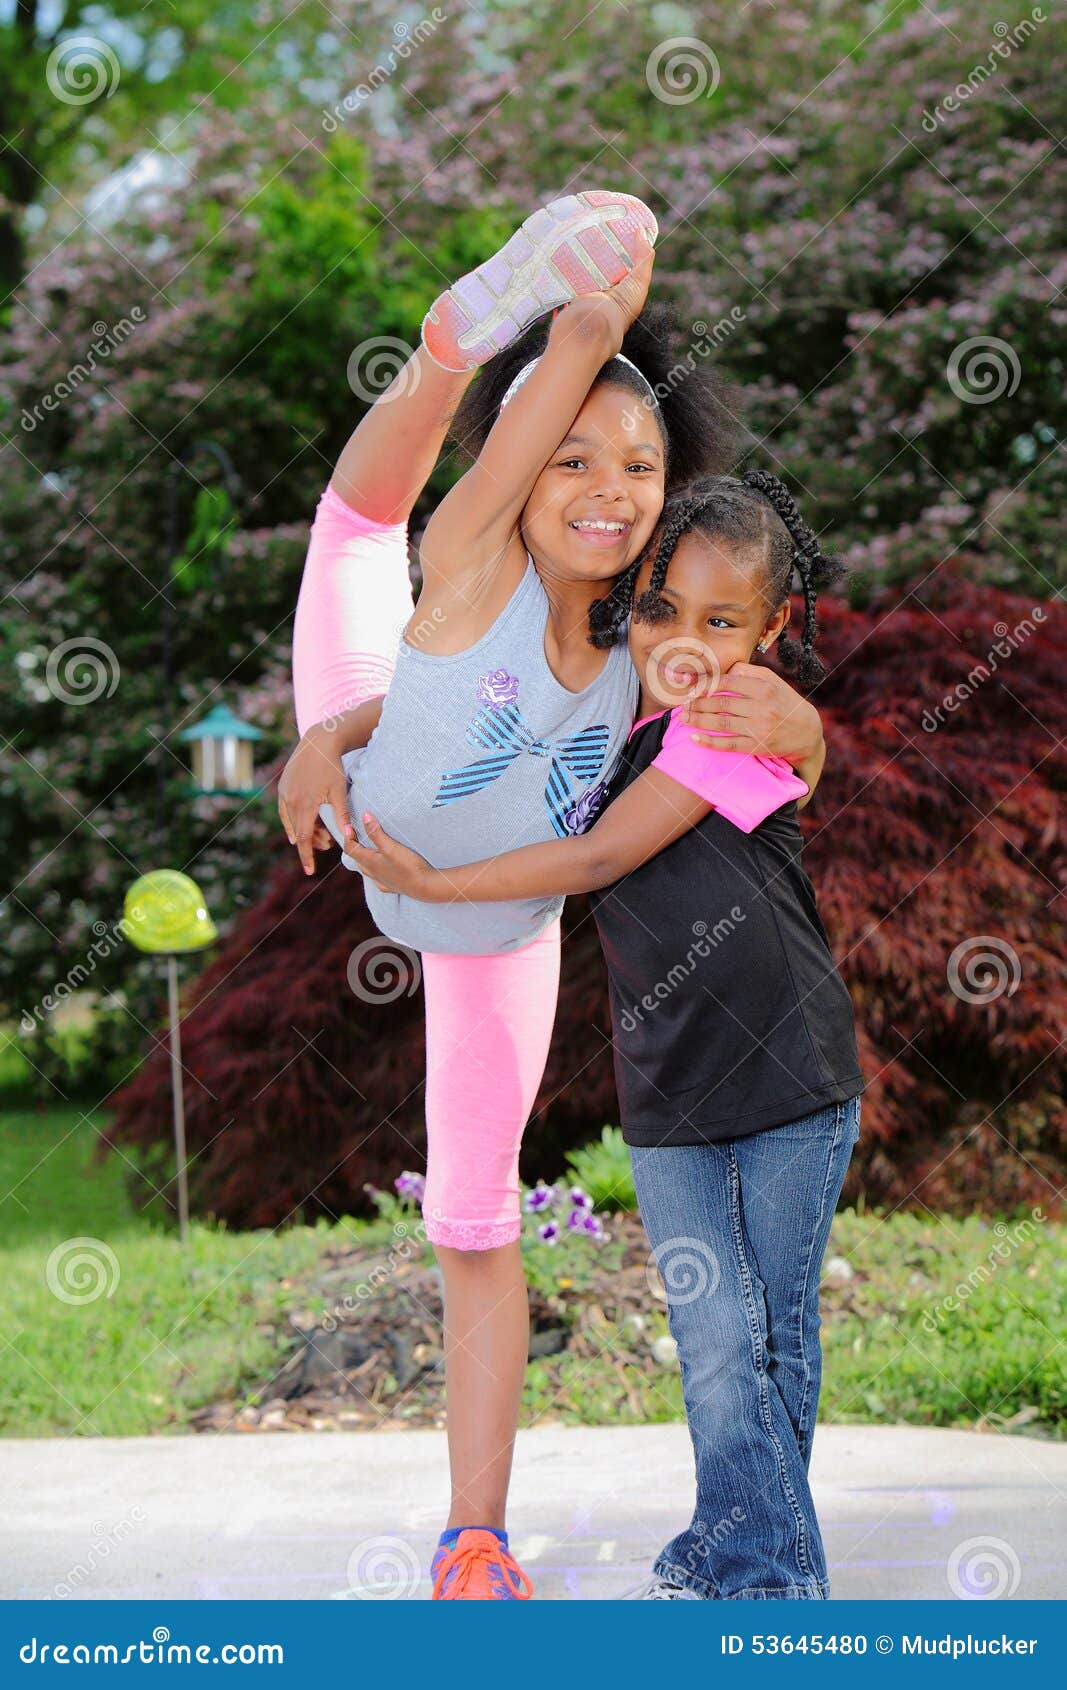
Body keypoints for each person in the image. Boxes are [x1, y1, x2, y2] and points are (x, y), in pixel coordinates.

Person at [279, 191, 828, 1599]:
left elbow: (767, 722)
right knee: (359, 520)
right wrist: (581, 325)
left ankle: (473, 1535)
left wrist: (806, 741)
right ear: (520, 475)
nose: (598, 484)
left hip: (487, 921)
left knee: (473, 1215)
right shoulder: (471, 558)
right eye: (567, 454)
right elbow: (472, 508)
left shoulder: (655, 633)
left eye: (633, 466)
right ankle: (454, 344)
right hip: (371, 721)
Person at [344, 470, 865, 1601]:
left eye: (721, 623)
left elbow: (591, 861)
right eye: (660, 610)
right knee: (720, 1343)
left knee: (757, 1343)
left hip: (787, 1074)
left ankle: (763, 1581)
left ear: (771, 629)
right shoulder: (617, 713)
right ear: (627, 604)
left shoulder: (733, 719)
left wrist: (443, 879)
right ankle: (732, 1557)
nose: (686, 643)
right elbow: (459, 700)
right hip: (669, 1088)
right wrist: (326, 739)